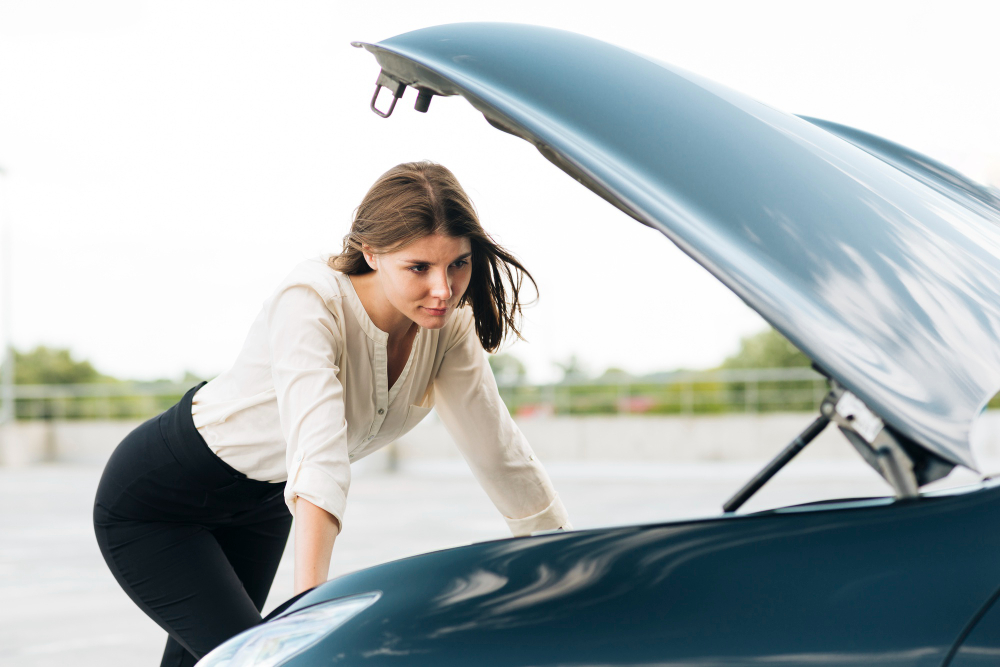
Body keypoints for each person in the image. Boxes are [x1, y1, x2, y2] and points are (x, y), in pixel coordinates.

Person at [92, 161, 571, 667]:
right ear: (372, 252)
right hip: (162, 502)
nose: (444, 289)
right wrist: (310, 630)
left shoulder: (449, 326)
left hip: (266, 504)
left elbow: (498, 451)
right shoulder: (311, 300)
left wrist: (568, 568)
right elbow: (319, 458)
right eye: (419, 268)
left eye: (459, 263)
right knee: (261, 660)